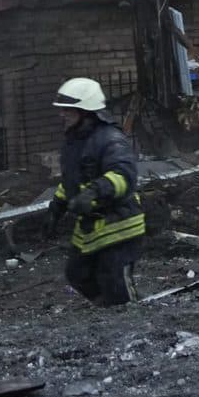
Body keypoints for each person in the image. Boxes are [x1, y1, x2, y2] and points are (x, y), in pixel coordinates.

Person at [48, 78, 145, 307]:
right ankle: (107, 309)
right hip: (92, 226)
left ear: (85, 111)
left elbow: (124, 176)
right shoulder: (75, 140)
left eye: (67, 109)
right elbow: (73, 179)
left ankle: (130, 319)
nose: (62, 114)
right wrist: (57, 206)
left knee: (115, 282)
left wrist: (93, 193)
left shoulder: (110, 140)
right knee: (76, 274)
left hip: (119, 225)